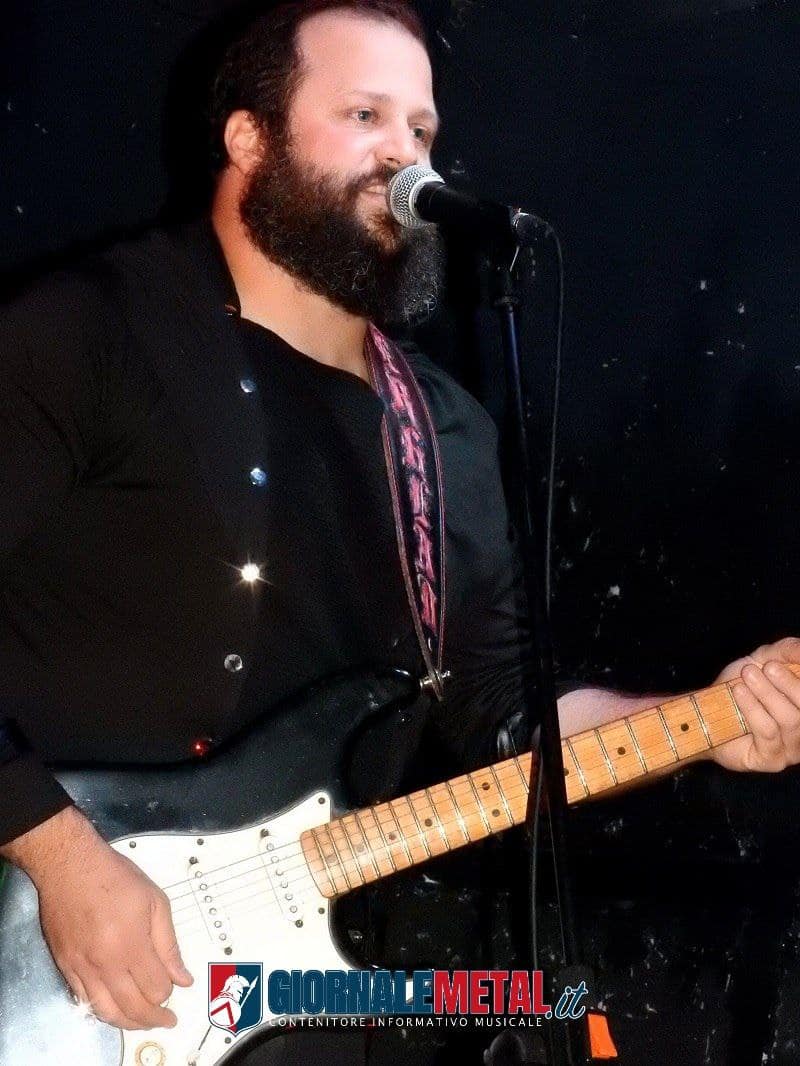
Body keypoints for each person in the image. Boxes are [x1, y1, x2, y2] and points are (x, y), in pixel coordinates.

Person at [1, 0, 800, 1060]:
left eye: (420, 128)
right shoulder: (90, 330)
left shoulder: (446, 434)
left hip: (273, 996)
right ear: (249, 138)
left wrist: (706, 722)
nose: (403, 155)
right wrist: (56, 852)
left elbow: (501, 715)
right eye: (364, 115)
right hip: (32, 941)